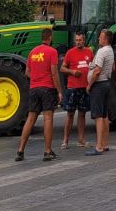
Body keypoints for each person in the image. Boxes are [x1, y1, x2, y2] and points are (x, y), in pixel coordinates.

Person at [16, 28, 63, 162]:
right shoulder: (52, 51)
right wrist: (59, 91)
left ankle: (20, 151)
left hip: (34, 88)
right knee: (48, 118)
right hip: (47, 88)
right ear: (50, 37)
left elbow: (27, 72)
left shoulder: (32, 52)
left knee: (30, 119)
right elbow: (54, 73)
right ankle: (47, 151)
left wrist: (36, 77)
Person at [60, 30, 93, 149]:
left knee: (82, 114)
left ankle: (81, 140)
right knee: (70, 114)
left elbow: (92, 66)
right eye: (77, 40)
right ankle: (65, 141)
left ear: (84, 40)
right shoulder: (70, 53)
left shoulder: (89, 52)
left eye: (80, 40)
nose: (79, 42)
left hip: (84, 88)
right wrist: (72, 72)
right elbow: (62, 69)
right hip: (72, 88)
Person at [85, 29, 115, 156]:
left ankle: (98, 147)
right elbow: (113, 67)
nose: (98, 39)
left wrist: (89, 85)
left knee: (98, 116)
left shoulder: (102, 51)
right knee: (104, 116)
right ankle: (105, 144)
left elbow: (97, 71)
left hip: (98, 85)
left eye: (101, 37)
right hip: (106, 83)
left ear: (106, 39)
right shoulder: (111, 50)